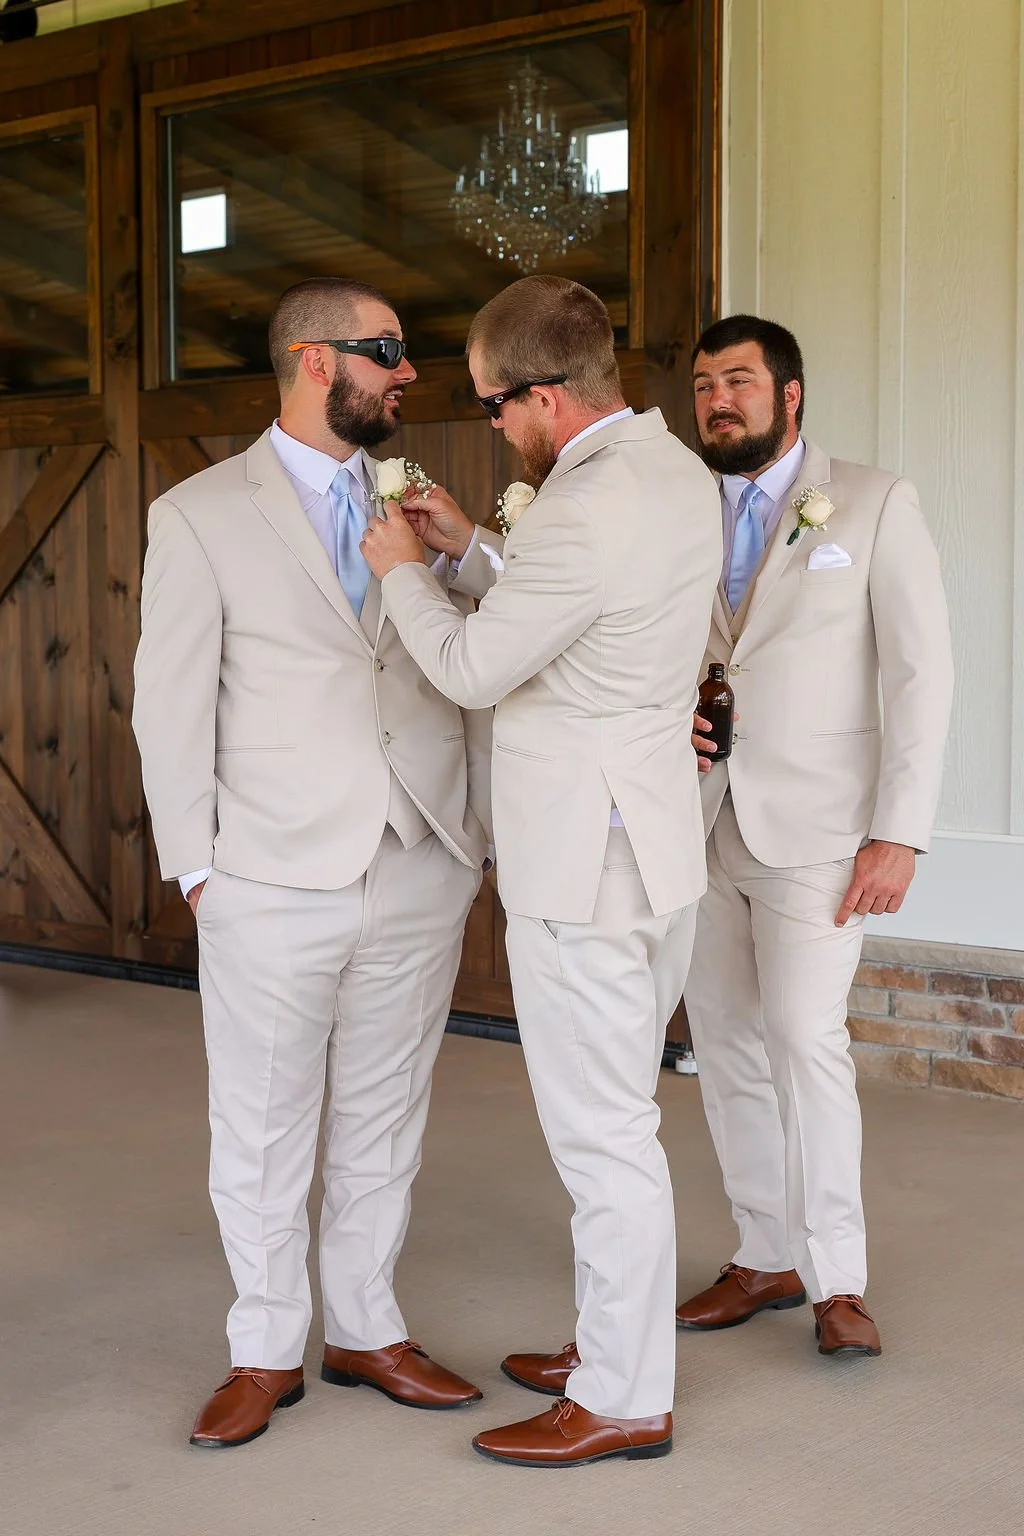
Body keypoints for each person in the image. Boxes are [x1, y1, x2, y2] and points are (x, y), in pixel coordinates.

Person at [361, 274, 721, 1468]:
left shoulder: (575, 506)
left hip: (585, 864)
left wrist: (400, 573)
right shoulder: (667, 470)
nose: (496, 426)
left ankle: (621, 1397)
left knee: (601, 1135)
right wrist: (471, 546)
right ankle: (610, 1338)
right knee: (620, 1117)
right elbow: (593, 617)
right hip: (655, 847)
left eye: (497, 405)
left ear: (548, 395)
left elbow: (470, 673)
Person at [132, 278, 492, 1449]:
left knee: (387, 1114)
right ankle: (262, 1346)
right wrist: (199, 869)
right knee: (264, 1123)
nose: (407, 375)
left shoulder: (419, 499)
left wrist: (468, 550)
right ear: (310, 361)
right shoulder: (198, 512)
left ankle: (367, 1328)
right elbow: (170, 706)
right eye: (386, 352)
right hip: (269, 870)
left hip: (417, 856)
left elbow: (495, 639)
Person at [675, 315, 953, 1356]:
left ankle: (838, 1279)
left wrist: (901, 834)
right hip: (697, 816)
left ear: (789, 395)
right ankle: (761, 1255)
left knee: (806, 1041)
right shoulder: (674, 511)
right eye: (703, 385)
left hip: (825, 828)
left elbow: (920, 675)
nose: (716, 400)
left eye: (737, 381)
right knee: (728, 1046)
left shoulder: (875, 501)